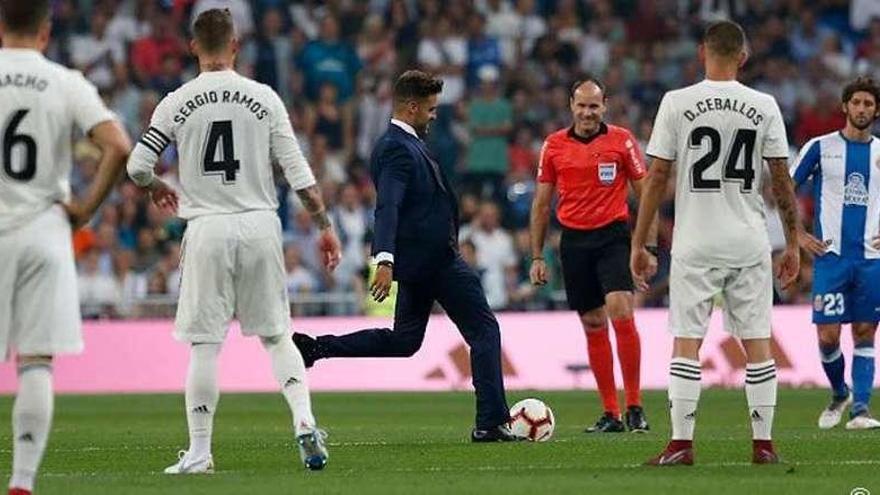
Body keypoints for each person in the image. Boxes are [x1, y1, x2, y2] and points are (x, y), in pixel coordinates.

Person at [125, 8, 342, 473]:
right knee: (277, 335)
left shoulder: (175, 101)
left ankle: (201, 452)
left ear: (192, 47)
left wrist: (156, 187)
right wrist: (323, 224)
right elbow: (298, 172)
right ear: (236, 45)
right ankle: (304, 420)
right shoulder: (263, 97)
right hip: (260, 224)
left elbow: (137, 166)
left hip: (208, 227)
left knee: (205, 345)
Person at [293, 70, 520, 442]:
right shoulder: (396, 148)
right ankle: (490, 421)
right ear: (412, 107)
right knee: (484, 329)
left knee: (404, 342)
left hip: (420, 264)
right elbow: (388, 207)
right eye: (430, 109)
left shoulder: (408, 143)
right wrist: (384, 259)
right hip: (437, 262)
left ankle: (317, 347)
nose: (434, 115)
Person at [631, 20, 802, 466]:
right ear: (743, 57)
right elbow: (781, 179)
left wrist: (642, 241)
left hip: (696, 241)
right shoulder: (763, 105)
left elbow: (657, 178)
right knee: (758, 342)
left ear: (701, 52)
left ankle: (681, 445)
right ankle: (763, 446)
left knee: (687, 341)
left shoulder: (677, 102)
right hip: (748, 239)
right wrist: (793, 242)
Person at [0, 1, 132, 493]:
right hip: (43, 227)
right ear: (44, 31)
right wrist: (84, 210)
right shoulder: (63, 80)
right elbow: (118, 144)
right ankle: (21, 482)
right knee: (35, 360)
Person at [530, 77, 657, 434]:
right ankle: (611, 413)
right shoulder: (553, 145)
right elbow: (541, 205)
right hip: (573, 241)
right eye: (581, 105)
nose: (587, 112)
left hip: (613, 236)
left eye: (594, 106)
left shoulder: (621, 140)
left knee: (620, 307)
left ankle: (635, 406)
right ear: (571, 105)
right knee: (593, 323)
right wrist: (537, 255)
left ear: (605, 106)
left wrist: (646, 247)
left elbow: (645, 195)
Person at [791, 77, 880, 430]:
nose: (861, 109)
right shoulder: (820, 147)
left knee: (864, 331)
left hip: (871, 260)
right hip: (830, 258)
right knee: (828, 336)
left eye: (868, 104)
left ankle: (860, 409)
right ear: (845, 106)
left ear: (876, 110)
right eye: (856, 102)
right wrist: (797, 234)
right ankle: (839, 392)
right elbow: (784, 189)